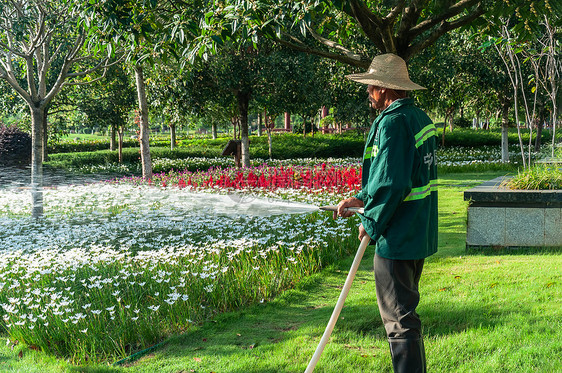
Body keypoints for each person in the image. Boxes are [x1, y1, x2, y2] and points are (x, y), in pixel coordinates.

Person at [335, 53, 438, 373]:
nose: (368, 91)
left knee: (398, 321)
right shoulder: (420, 118)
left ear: (385, 88)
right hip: (416, 231)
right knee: (406, 314)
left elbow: (392, 184)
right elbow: (396, 174)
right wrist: (361, 199)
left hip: (397, 236)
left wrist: (372, 221)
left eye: (371, 86)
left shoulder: (392, 122)